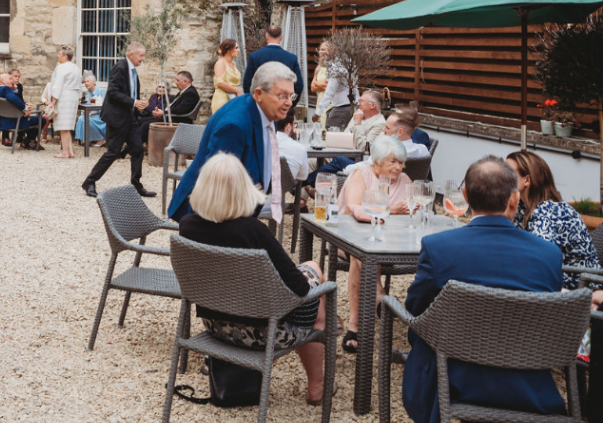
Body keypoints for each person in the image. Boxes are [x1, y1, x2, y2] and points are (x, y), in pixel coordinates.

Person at [402, 156, 565, 423]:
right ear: (514, 199)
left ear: (465, 196)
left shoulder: (438, 247)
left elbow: (415, 309)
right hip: (529, 383)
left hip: (454, 377)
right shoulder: (549, 254)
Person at [178, 153, 332, 405]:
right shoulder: (253, 231)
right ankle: (317, 386)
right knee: (315, 280)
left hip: (214, 325)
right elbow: (300, 288)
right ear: (242, 189)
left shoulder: (187, 226)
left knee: (308, 276)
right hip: (265, 332)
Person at [168, 62, 298, 221]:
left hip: (239, 211)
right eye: (282, 95)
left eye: (291, 96)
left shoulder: (264, 111)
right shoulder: (234, 127)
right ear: (258, 94)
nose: (289, 103)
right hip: (211, 220)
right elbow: (218, 190)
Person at [337, 136, 412, 354]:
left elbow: (413, 209)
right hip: (348, 239)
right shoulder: (362, 175)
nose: (398, 167)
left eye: (401, 162)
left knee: (367, 253)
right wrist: (389, 210)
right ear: (376, 162)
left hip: (389, 242)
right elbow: (353, 208)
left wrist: (411, 211)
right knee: (360, 254)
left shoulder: (405, 179)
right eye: (392, 162)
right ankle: (372, 303)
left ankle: (357, 325)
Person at [506, 150, 599, 288]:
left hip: (579, 286)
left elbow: (538, 262)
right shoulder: (522, 205)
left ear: (527, 180)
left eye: (507, 173)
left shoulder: (549, 212)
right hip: (552, 278)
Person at [81, 42, 156, 199]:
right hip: (117, 117)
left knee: (138, 149)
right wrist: (133, 102)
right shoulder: (120, 67)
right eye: (141, 55)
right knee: (113, 152)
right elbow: (113, 92)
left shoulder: (133, 70)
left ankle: (136, 185)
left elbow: (130, 92)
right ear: (131, 54)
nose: (143, 58)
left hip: (130, 117)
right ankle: (90, 181)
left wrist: (138, 102)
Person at [241, 25, 304, 104]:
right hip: (282, 103)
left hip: (261, 103)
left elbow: (247, 82)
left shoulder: (255, 56)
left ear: (266, 36)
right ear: (281, 37)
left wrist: (254, 101)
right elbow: (299, 85)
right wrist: (291, 102)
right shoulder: (291, 58)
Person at [138, 71, 202, 146]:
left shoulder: (190, 93)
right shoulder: (185, 91)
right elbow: (173, 107)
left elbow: (180, 110)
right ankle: (142, 146)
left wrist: (163, 113)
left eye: (178, 80)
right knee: (140, 121)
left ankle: (134, 148)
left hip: (178, 120)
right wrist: (161, 111)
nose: (176, 83)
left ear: (185, 81)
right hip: (172, 117)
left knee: (146, 125)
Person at [46, 45, 82, 159]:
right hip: (74, 97)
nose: (58, 56)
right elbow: (79, 85)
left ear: (65, 56)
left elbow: (58, 85)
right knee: (68, 125)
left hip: (65, 97)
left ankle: (65, 152)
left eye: (60, 54)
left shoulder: (61, 68)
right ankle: (70, 151)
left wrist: (53, 101)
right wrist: (79, 98)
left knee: (63, 126)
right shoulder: (76, 68)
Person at [0, 71, 42, 148]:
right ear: (2, 80)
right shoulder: (6, 89)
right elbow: (12, 98)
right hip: (15, 122)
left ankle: (28, 141)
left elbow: (11, 100)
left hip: (4, 121)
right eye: (9, 78)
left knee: (32, 118)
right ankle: (27, 141)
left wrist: (14, 90)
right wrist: (25, 108)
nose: (11, 80)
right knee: (41, 119)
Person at [314, 40, 352, 129]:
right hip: (332, 105)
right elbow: (313, 86)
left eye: (324, 50)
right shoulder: (328, 66)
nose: (321, 52)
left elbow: (330, 90)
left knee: (331, 136)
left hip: (339, 107)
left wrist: (318, 113)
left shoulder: (337, 67)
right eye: (320, 49)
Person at [74, 71, 107, 146]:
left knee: (86, 120)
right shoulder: (87, 93)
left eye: (88, 81)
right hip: (90, 114)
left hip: (100, 115)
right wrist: (83, 110)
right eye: (85, 82)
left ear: (94, 82)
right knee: (81, 118)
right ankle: (88, 139)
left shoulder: (101, 91)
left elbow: (105, 106)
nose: (86, 83)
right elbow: (87, 104)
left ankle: (101, 139)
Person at [211, 39, 243, 114]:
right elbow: (220, 83)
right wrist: (237, 91)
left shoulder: (233, 63)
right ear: (229, 50)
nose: (239, 50)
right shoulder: (220, 63)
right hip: (222, 99)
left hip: (233, 99)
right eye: (236, 48)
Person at [275, 118, 310, 183]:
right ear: (288, 126)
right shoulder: (300, 148)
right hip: (286, 188)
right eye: (294, 124)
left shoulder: (264, 142)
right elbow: (303, 177)